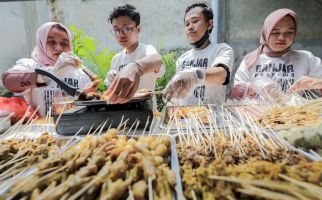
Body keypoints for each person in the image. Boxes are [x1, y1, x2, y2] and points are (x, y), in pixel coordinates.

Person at [2, 22, 98, 117]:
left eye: (64, 43)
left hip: (73, 127)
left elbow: (87, 102)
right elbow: (8, 81)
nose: (58, 48)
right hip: (40, 129)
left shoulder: (80, 71)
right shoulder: (32, 66)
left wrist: (89, 94)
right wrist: (49, 73)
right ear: (41, 42)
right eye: (51, 42)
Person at [230, 8, 322, 99]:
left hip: (293, 113)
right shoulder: (250, 60)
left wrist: (317, 82)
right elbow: (234, 95)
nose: (282, 37)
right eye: (275, 32)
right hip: (257, 113)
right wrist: (252, 88)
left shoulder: (305, 58)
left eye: (289, 32)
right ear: (266, 32)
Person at [162, 3, 234, 105]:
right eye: (187, 24)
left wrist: (195, 76)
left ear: (209, 24)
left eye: (195, 21)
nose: (190, 27)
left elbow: (221, 75)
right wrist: (172, 103)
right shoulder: (182, 59)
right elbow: (180, 97)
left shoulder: (221, 49)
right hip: (186, 119)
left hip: (212, 118)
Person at [104, 4, 164, 111]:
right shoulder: (116, 59)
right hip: (123, 116)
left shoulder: (147, 50)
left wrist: (136, 67)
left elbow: (157, 60)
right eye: (116, 30)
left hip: (147, 115)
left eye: (127, 29)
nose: (121, 34)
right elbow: (112, 91)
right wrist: (111, 79)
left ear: (138, 29)